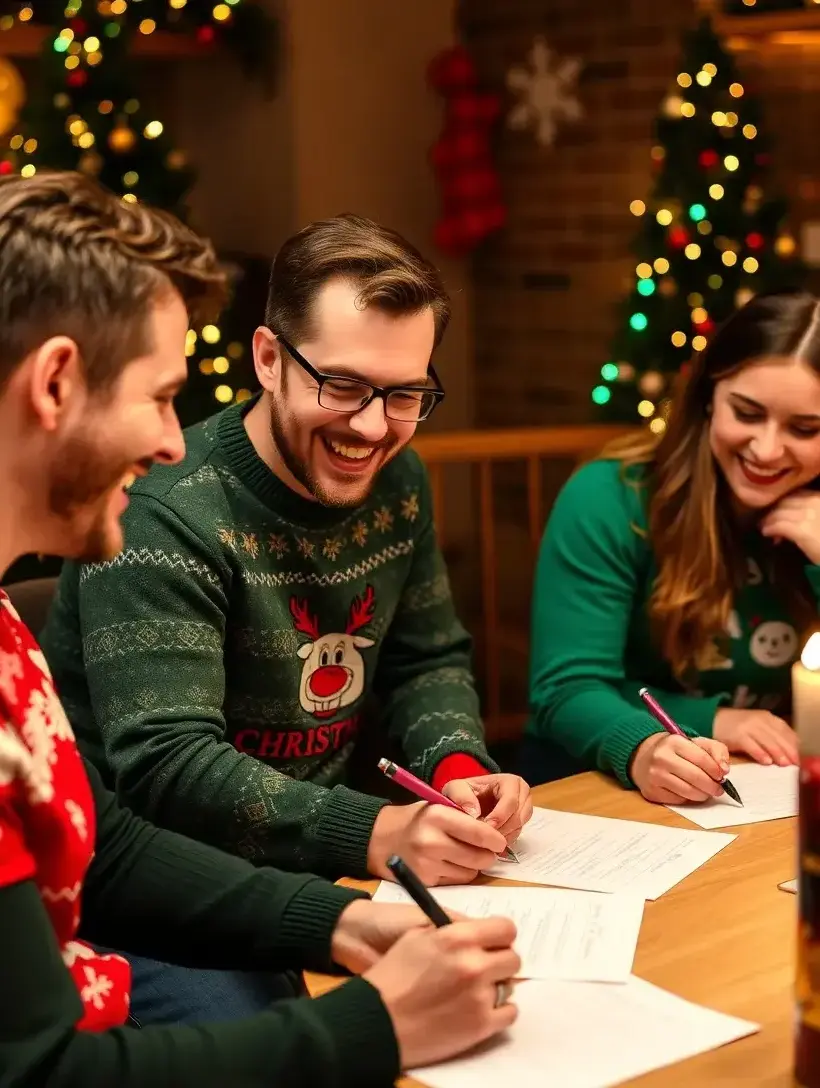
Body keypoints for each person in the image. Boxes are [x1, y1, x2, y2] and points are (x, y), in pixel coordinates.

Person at [0, 170, 521, 1087]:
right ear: (55, 384)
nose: (173, 441)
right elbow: (38, 1072)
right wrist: (377, 1025)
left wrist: (342, 919)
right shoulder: (170, 507)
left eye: (403, 395)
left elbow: (103, 843)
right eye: (160, 395)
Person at [525, 290, 812, 801]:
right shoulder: (610, 498)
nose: (767, 450)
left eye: (805, 429)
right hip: (599, 789)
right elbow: (567, 691)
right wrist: (709, 720)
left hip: (777, 789)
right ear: (707, 398)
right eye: (746, 414)